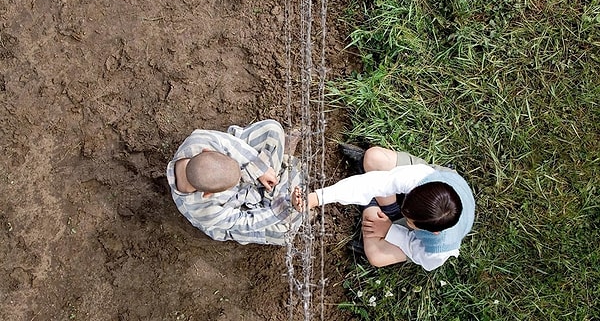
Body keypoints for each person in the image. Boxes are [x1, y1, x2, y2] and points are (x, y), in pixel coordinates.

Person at [305, 145, 475, 271]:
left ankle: (371, 205)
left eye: (409, 221)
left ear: (434, 232)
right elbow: (377, 183)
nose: (406, 219)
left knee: (376, 256)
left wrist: (390, 230)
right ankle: (388, 208)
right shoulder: (422, 178)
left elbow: (415, 250)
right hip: (436, 184)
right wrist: (317, 198)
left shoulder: (439, 249)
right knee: (374, 157)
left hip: (424, 234)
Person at [166, 119, 305, 245]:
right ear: (208, 194)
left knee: (272, 129)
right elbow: (245, 221)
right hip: (238, 207)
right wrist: (281, 209)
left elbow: (233, 146)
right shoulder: (204, 211)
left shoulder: (199, 140)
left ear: (206, 151)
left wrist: (259, 169)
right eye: (234, 183)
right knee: (285, 232)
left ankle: (276, 184)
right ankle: (279, 187)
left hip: (250, 169)